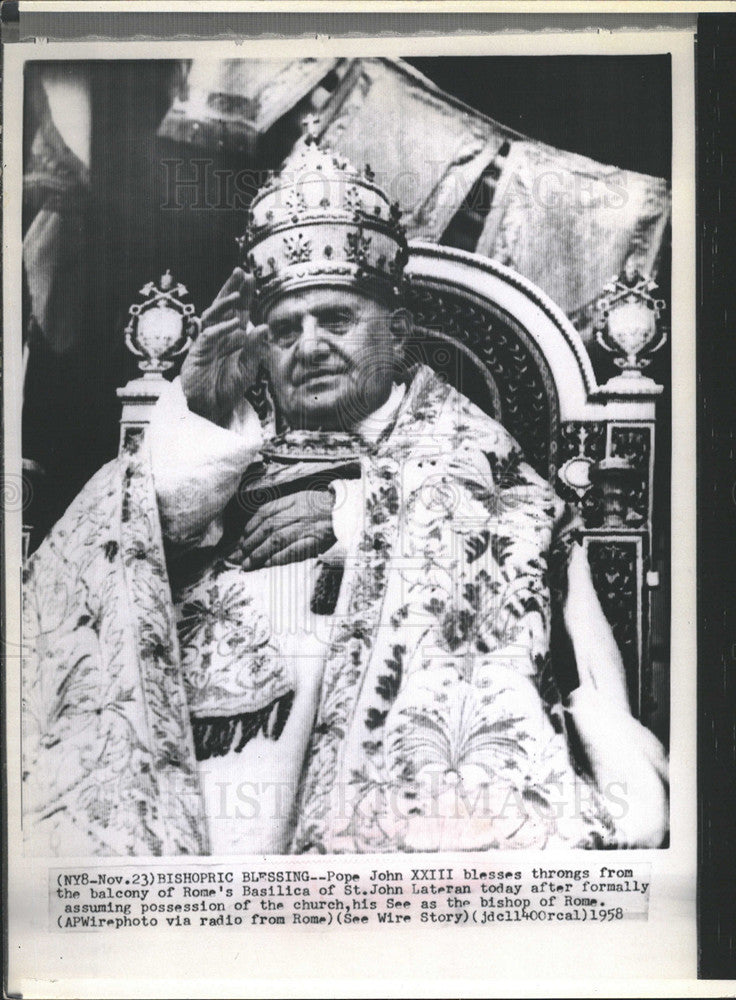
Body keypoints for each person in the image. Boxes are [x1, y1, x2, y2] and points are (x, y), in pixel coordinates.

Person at [21, 121, 667, 856]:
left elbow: (511, 539)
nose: (310, 346)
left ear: (398, 331)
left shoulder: (466, 449)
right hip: (186, 793)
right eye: (286, 329)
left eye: (336, 319)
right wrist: (198, 408)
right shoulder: (218, 430)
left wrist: (356, 520)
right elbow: (113, 555)